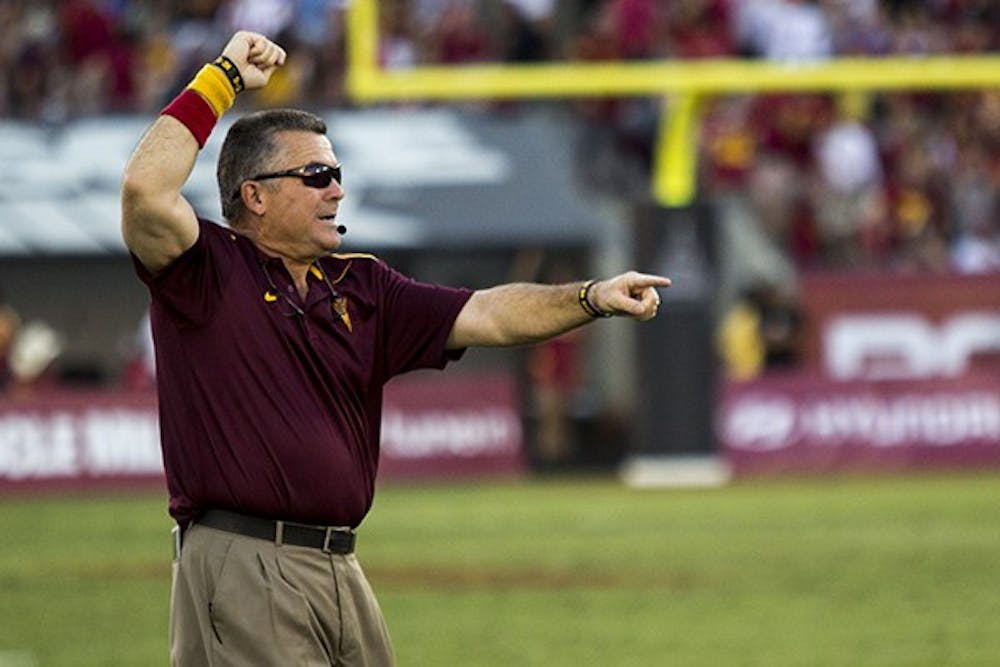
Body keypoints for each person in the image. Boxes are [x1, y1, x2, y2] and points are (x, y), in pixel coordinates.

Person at [121, 31, 670, 667]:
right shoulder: (206, 271)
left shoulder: (365, 286)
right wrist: (221, 78)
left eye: (337, 175)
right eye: (317, 175)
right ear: (256, 195)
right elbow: (144, 190)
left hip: (342, 565)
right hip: (244, 559)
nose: (337, 191)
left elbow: (487, 312)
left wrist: (592, 296)